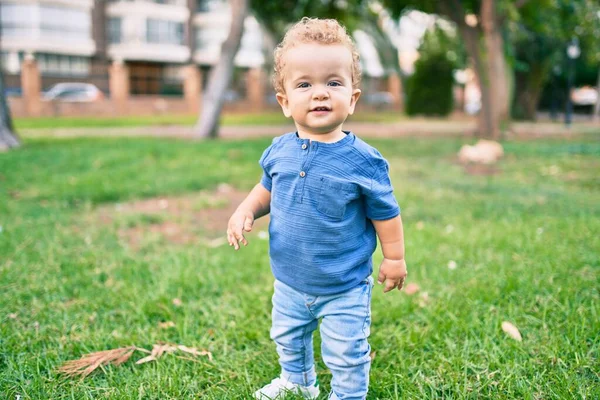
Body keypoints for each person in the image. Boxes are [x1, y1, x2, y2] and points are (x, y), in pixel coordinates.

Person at [226, 17, 407, 400]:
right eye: (305, 84)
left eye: (334, 83)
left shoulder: (363, 161)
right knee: (288, 337)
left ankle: (347, 395)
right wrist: (246, 209)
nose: (320, 94)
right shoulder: (279, 150)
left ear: (353, 99)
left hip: (344, 285)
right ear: (285, 101)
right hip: (290, 280)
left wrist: (394, 258)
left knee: (345, 352)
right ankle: (299, 381)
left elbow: (385, 213)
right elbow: (266, 190)